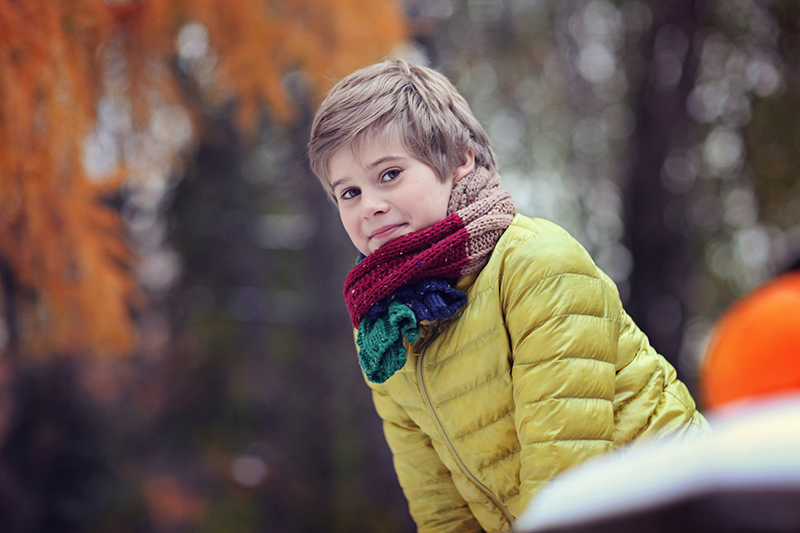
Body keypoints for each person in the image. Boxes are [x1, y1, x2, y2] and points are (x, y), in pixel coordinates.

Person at [307, 58, 708, 533]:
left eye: (390, 174)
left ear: (460, 161)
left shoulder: (537, 267)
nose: (369, 206)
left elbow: (565, 478)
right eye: (348, 193)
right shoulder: (386, 329)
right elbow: (441, 508)